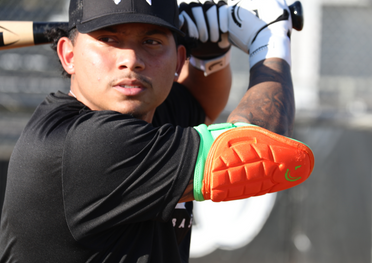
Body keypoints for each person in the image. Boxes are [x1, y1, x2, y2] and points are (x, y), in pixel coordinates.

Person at [0, 0, 314, 262]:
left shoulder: (142, 115)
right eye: (109, 39)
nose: (131, 60)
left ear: (178, 60)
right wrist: (270, 42)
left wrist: (211, 51)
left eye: (151, 42)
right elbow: (257, 155)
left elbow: (200, 103)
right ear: (68, 55)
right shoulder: (86, 146)